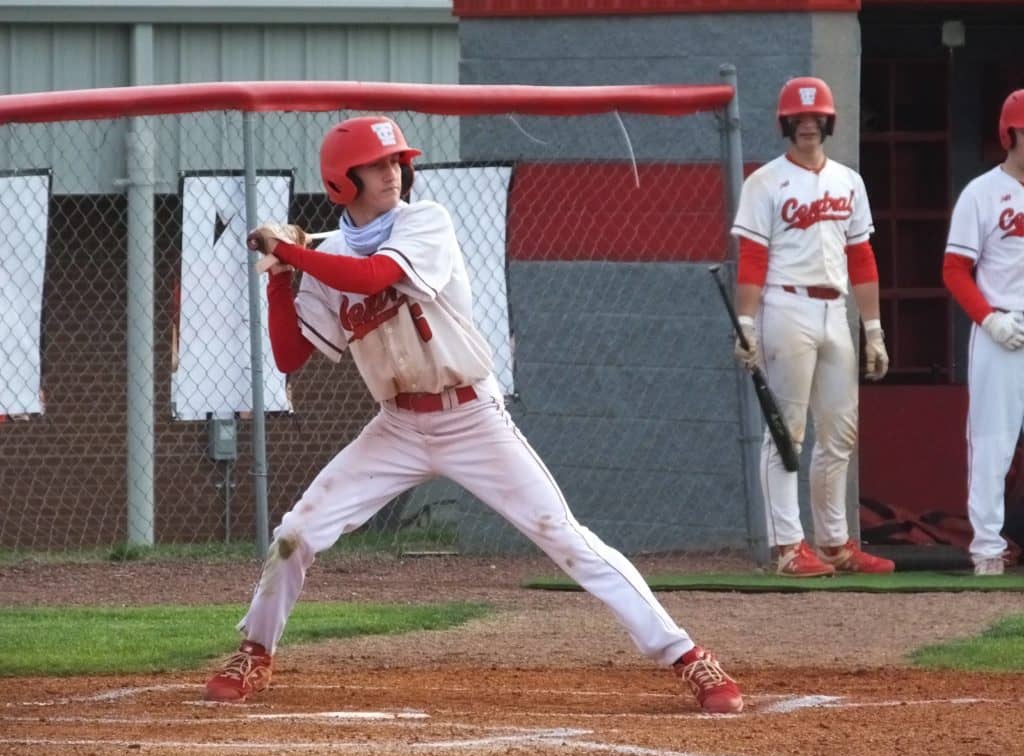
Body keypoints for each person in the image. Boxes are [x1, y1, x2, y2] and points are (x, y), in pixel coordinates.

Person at [203, 115, 743, 713]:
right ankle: (255, 650)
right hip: (397, 427)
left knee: (561, 534)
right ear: (341, 181)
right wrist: (281, 277)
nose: (392, 173)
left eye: (395, 161)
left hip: (470, 417)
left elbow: (374, 274)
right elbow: (289, 355)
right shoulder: (323, 257)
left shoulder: (424, 222)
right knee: (295, 534)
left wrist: (291, 252)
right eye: (375, 166)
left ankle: (685, 654)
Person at [730, 77, 896, 578]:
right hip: (786, 306)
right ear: (786, 124)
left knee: (840, 432)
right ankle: (787, 546)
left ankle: (834, 543)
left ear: (828, 122)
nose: (808, 125)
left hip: (835, 310)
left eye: (815, 117)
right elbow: (752, 258)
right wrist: (745, 321)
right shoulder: (765, 181)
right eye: (799, 119)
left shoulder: (849, 180)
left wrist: (873, 328)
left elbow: (861, 256)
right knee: (787, 433)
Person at [942, 89, 1024, 576]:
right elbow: (954, 269)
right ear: (1010, 134)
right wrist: (989, 318)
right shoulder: (981, 192)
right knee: (993, 441)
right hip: (1001, 326)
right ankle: (988, 549)